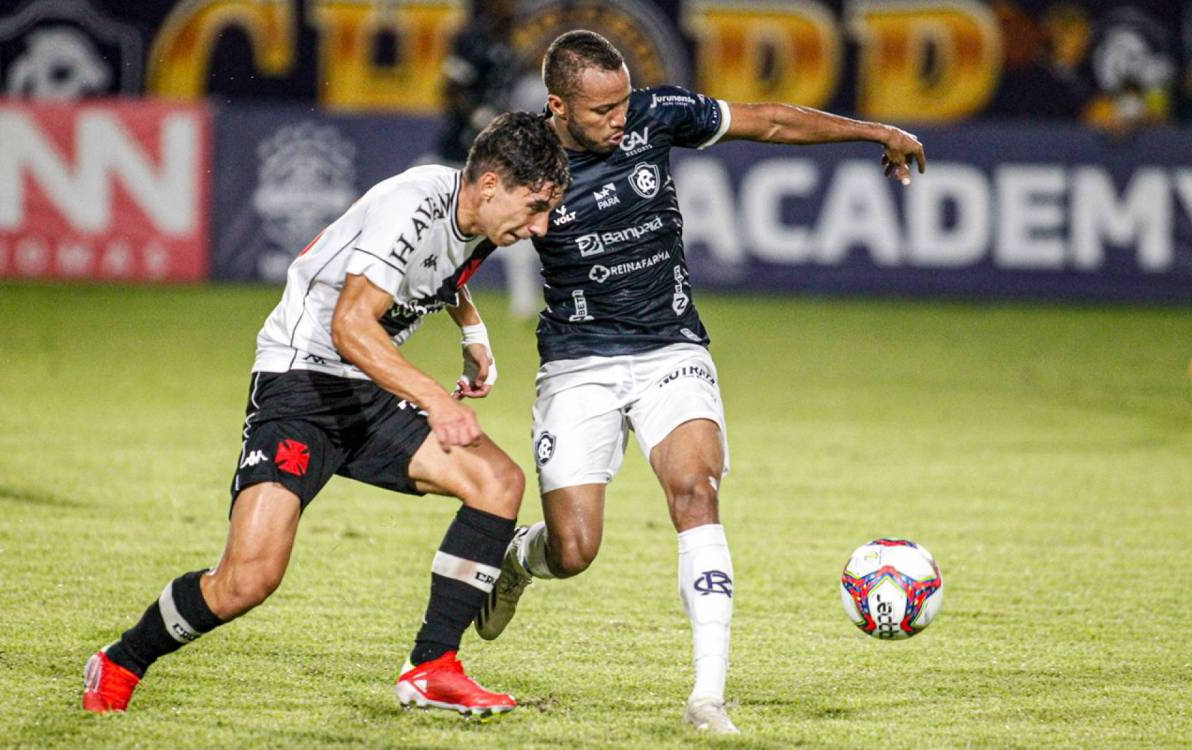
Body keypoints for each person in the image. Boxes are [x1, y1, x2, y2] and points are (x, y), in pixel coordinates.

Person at [473, 31, 926, 734]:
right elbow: (464, 234)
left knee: (696, 492)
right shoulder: (526, 159)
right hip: (579, 363)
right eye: (601, 111)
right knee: (575, 550)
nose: (620, 119)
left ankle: (706, 698)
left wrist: (874, 131)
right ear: (557, 105)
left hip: (669, 350)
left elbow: (768, 119)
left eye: (623, 102)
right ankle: (517, 560)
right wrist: (466, 331)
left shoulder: (655, 116)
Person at [81, 112, 569, 718]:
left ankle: (432, 667)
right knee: (247, 579)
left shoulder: (477, 217)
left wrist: (473, 329)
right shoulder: (412, 204)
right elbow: (349, 325)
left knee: (497, 483)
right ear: (492, 183)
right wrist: (436, 400)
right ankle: (123, 659)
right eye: (537, 206)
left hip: (367, 384)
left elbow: (442, 272)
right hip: (302, 384)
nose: (541, 225)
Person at [436, 0, 544, 319]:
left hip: (489, 158)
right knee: (424, 220)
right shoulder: (473, 41)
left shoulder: (511, 49)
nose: (514, 11)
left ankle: (525, 305)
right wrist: (477, 115)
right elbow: (451, 89)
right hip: (455, 154)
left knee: (517, 219)